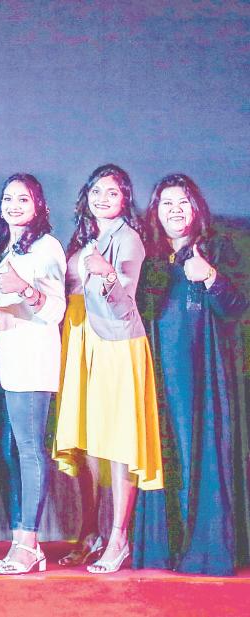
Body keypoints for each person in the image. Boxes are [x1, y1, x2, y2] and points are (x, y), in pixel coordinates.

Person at [131, 174, 249, 575]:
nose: (174, 210)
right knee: (165, 451)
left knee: (204, 449)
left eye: (182, 202)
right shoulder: (147, 258)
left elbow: (237, 307)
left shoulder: (218, 248)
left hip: (205, 376)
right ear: (155, 211)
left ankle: (206, 551)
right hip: (160, 377)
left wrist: (211, 277)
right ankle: (164, 551)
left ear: (196, 207)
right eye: (166, 203)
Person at [52, 163, 163, 574]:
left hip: (116, 343)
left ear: (124, 200)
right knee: (86, 439)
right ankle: (90, 532)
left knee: (118, 441)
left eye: (112, 193)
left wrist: (109, 274)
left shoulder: (128, 239)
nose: (102, 198)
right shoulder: (85, 238)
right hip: (79, 339)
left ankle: (118, 537)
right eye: (97, 191)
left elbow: (124, 302)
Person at [0, 174, 67, 574]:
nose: (14, 205)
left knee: (30, 450)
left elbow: (55, 310)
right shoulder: (8, 245)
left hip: (33, 359)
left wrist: (25, 289)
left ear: (38, 205)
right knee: (13, 450)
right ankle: (22, 538)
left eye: (23, 199)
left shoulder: (46, 246)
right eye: (8, 198)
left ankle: (28, 542)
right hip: (10, 360)